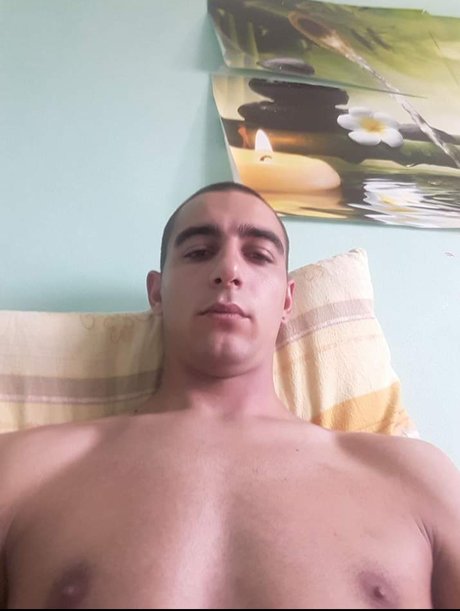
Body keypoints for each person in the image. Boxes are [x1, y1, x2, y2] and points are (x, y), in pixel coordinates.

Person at [1, 181, 459, 609]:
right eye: (199, 252)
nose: (228, 270)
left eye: (258, 255)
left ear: (287, 301)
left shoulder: (415, 476)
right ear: (157, 293)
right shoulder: (24, 471)